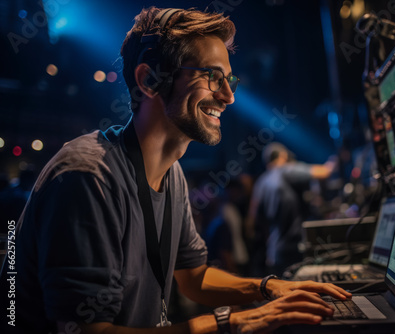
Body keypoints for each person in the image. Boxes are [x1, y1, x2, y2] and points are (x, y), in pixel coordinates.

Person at [0, 7, 351, 334]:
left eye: (230, 80)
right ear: (150, 80)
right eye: (213, 77)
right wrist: (234, 321)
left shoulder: (172, 175)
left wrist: (268, 287)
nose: (228, 96)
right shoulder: (88, 176)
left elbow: (193, 278)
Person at [248, 142, 337, 276]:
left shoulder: (261, 182)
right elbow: (324, 172)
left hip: (274, 252)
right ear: (283, 156)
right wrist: (336, 159)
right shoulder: (286, 169)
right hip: (294, 250)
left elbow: (253, 219)